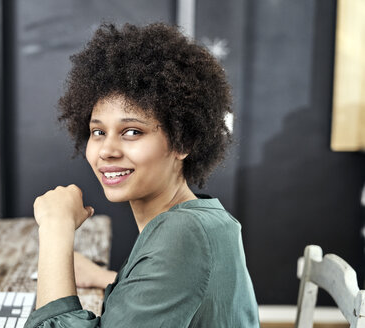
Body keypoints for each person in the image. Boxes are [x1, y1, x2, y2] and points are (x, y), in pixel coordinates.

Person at [24, 22, 259, 328]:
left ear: (183, 141)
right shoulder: (200, 219)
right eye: (98, 131)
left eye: (132, 131)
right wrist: (106, 278)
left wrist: (56, 229)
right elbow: (178, 287)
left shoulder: (184, 234)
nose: (107, 150)